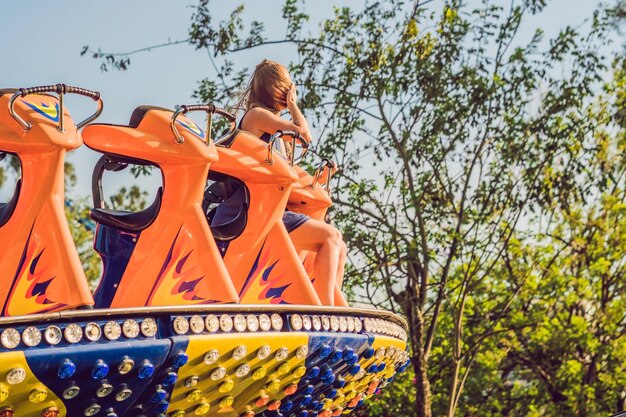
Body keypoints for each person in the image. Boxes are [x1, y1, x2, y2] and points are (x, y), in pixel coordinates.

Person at [237, 59, 347, 306]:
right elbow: (304, 135)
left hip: (276, 212)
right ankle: (325, 314)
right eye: (286, 87)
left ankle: (340, 313)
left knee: (339, 245)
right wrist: (293, 104)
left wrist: (318, 179)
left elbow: (290, 180)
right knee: (329, 237)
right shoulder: (256, 117)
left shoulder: (277, 135)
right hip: (259, 215)